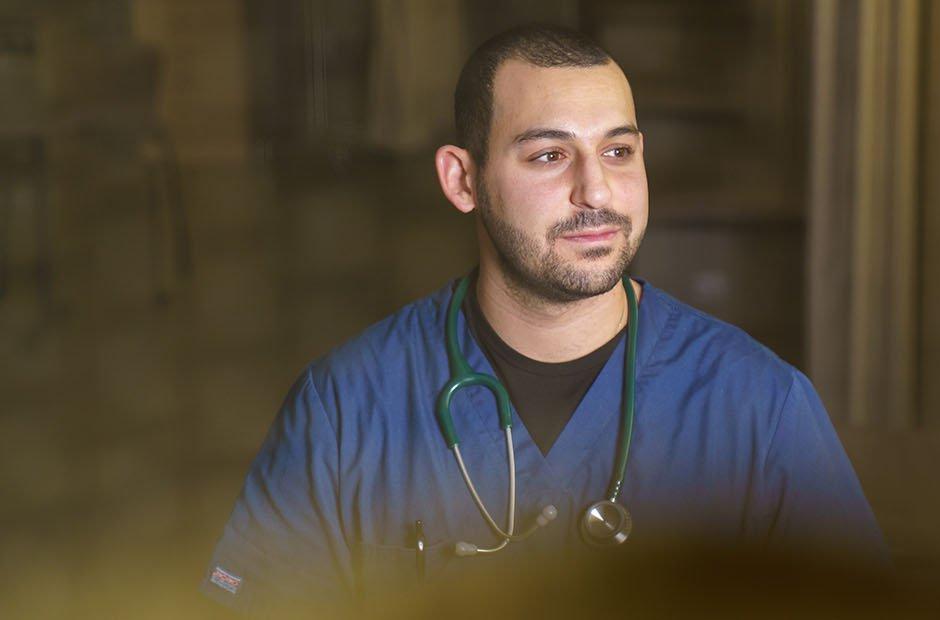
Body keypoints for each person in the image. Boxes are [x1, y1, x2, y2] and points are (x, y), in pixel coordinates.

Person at [199, 23, 887, 615]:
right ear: (462, 180)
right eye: (550, 155)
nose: (596, 190)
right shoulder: (345, 408)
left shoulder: (760, 408)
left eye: (618, 151)